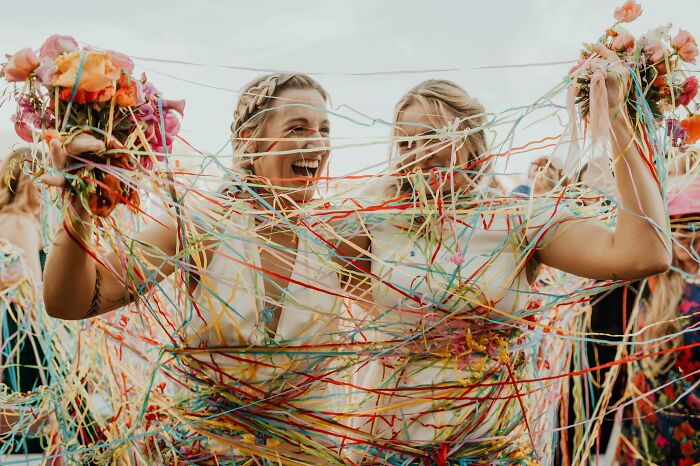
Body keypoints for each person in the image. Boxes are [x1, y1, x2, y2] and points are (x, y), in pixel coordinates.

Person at [340, 44, 671, 464]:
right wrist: (376, 196)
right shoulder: (374, 222)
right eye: (405, 143)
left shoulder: (517, 221)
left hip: (487, 448)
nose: (418, 153)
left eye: (434, 138)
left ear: (471, 143)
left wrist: (618, 121)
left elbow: (644, 255)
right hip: (384, 447)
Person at [41, 73, 351, 463]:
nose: (318, 143)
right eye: (297, 128)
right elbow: (71, 303)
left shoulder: (340, 236)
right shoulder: (201, 223)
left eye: (325, 129)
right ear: (248, 143)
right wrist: (79, 201)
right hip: (205, 455)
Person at [616, 173, 700, 466]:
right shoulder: (655, 279)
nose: (680, 232)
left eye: (691, 221)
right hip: (644, 429)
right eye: (673, 222)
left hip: (689, 440)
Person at [0, 148, 47, 454]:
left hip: (9, 327)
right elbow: (34, 287)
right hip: (20, 328)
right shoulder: (21, 222)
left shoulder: (4, 218)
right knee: (31, 415)